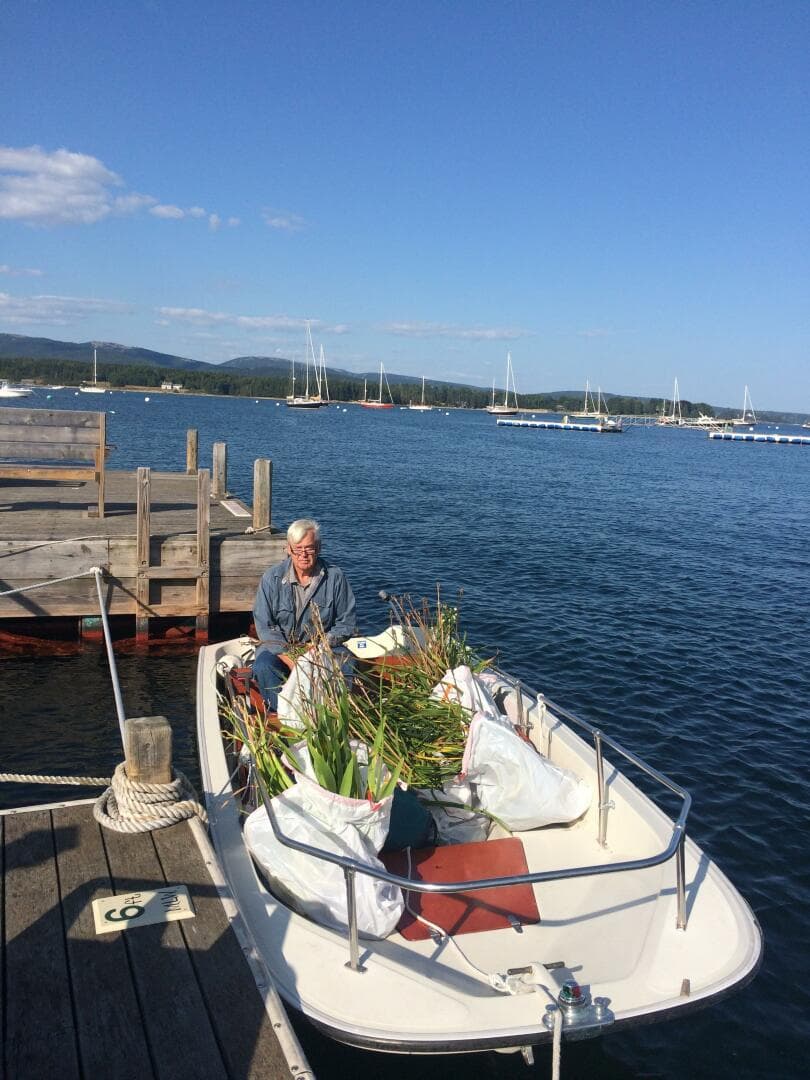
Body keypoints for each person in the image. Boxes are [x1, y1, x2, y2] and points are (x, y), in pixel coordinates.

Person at [251, 518, 357, 709]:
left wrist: (320, 645)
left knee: (346, 664)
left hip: (322, 648)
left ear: (319, 547)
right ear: (288, 549)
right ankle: (286, 718)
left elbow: (346, 623)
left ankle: (334, 714)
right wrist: (289, 656)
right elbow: (265, 626)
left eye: (309, 549)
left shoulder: (336, 577)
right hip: (281, 650)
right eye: (297, 549)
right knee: (263, 666)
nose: (303, 555)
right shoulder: (270, 579)